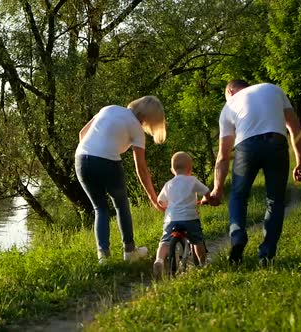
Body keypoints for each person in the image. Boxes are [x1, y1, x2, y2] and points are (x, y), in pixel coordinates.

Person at [208, 80, 301, 266]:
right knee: (275, 200)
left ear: (230, 90)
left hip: (246, 147)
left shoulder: (229, 106)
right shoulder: (273, 89)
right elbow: (295, 127)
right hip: (276, 142)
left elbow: (223, 156)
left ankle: (237, 236)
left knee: (238, 196)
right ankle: (266, 255)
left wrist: (217, 189)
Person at [75, 96, 166, 264]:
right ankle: (130, 252)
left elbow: (82, 134)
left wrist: (93, 155)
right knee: (121, 205)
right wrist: (154, 199)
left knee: (99, 208)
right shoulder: (136, 129)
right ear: (149, 118)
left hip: (81, 159)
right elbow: (142, 169)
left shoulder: (109, 108)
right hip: (107, 162)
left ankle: (103, 257)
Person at [153, 151, 211, 279]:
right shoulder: (192, 180)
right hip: (190, 218)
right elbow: (206, 191)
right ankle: (203, 263)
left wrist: (166, 206)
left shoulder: (168, 184)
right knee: (197, 240)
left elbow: (159, 200)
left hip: (171, 219)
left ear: (172, 170)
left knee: (164, 241)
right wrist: (207, 199)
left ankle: (159, 260)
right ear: (190, 169)